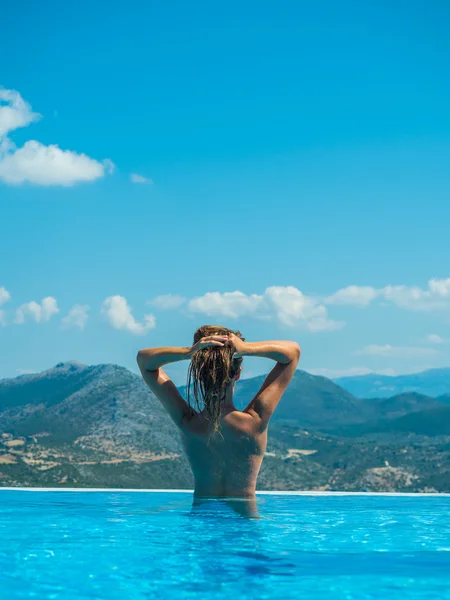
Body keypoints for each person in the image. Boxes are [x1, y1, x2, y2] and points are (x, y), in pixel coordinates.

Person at [136, 325, 300, 504]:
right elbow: (292, 353)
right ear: (237, 374)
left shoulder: (188, 422)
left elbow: (145, 361)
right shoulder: (255, 420)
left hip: (200, 524)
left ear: (198, 374)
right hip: (244, 526)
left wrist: (190, 352)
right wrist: (245, 349)